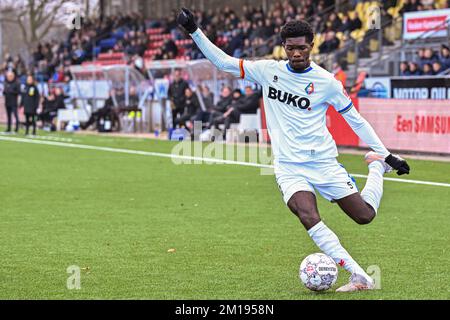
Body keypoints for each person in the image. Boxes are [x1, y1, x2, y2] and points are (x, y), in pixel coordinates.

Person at [178, 8, 410, 292]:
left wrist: (385, 155)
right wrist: (193, 30)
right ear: (283, 47)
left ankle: (376, 167)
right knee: (307, 215)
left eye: (301, 48)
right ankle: (359, 276)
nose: (296, 53)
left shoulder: (327, 83)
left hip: (323, 163)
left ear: (312, 44)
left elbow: (355, 120)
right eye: (290, 48)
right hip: (289, 166)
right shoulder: (267, 71)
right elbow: (223, 62)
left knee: (364, 216)